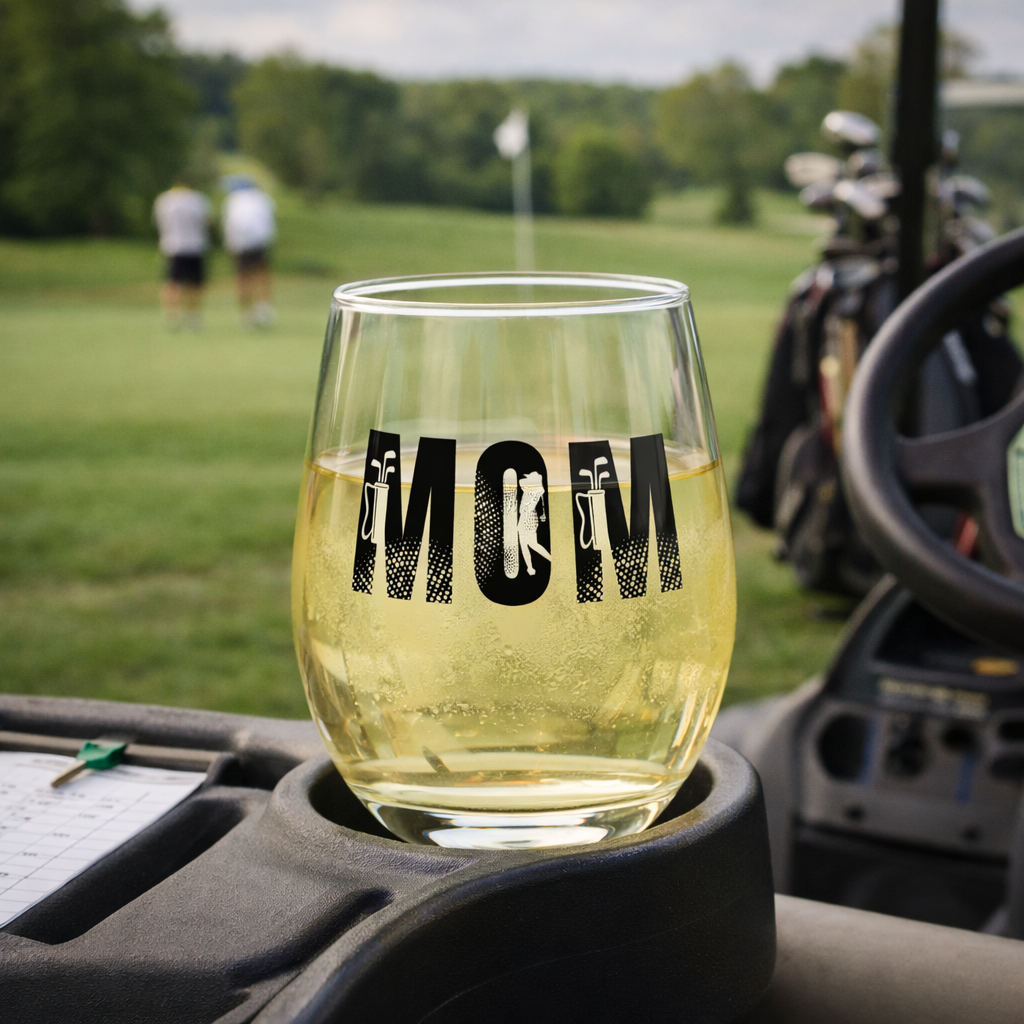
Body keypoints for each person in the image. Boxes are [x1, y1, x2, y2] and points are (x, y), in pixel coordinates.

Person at [153, 183, 211, 330]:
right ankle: (192, 316)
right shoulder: (198, 200)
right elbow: (206, 222)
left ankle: (172, 315)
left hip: (173, 246)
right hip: (195, 246)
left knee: (173, 283)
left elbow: (159, 222)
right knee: (193, 284)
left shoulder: (164, 200)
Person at [221, 177, 275, 327]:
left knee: (242, 278)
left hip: (240, 244)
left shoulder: (232, 199)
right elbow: (269, 222)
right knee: (261, 276)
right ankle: (262, 309)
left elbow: (230, 223)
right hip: (260, 243)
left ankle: (246, 313)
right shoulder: (263, 198)